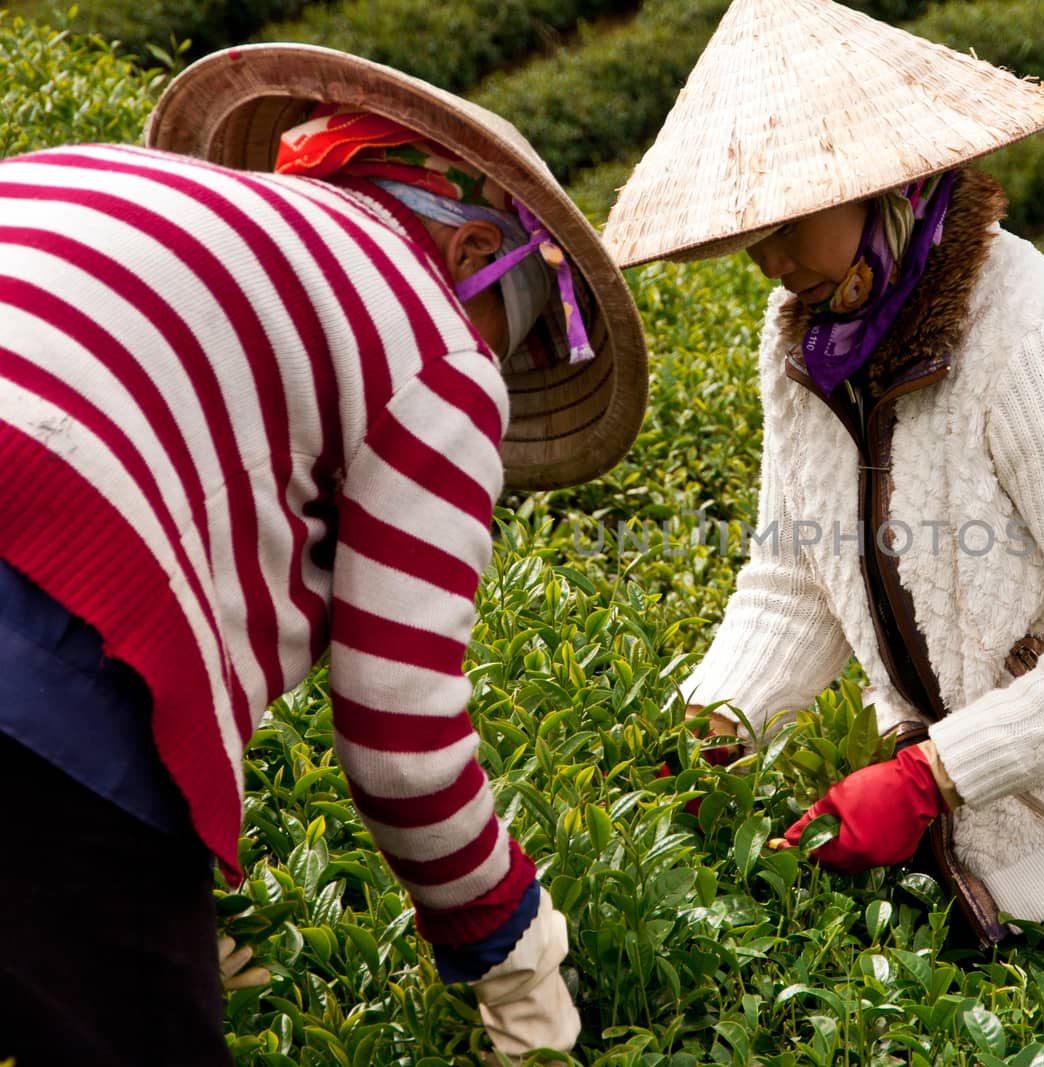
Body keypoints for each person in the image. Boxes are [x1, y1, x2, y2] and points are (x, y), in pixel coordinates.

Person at [0, 43, 647, 1065]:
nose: (493, 373)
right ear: (475, 245)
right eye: (511, 345)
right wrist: (513, 949)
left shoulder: (116, 178)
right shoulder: (435, 342)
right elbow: (401, 730)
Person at [603, 0, 1044, 994]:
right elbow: (795, 569)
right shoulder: (803, 335)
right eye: (751, 233)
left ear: (882, 183)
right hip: (942, 826)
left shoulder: (1034, 339)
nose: (768, 259)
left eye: (788, 222)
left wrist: (936, 774)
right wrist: (711, 728)